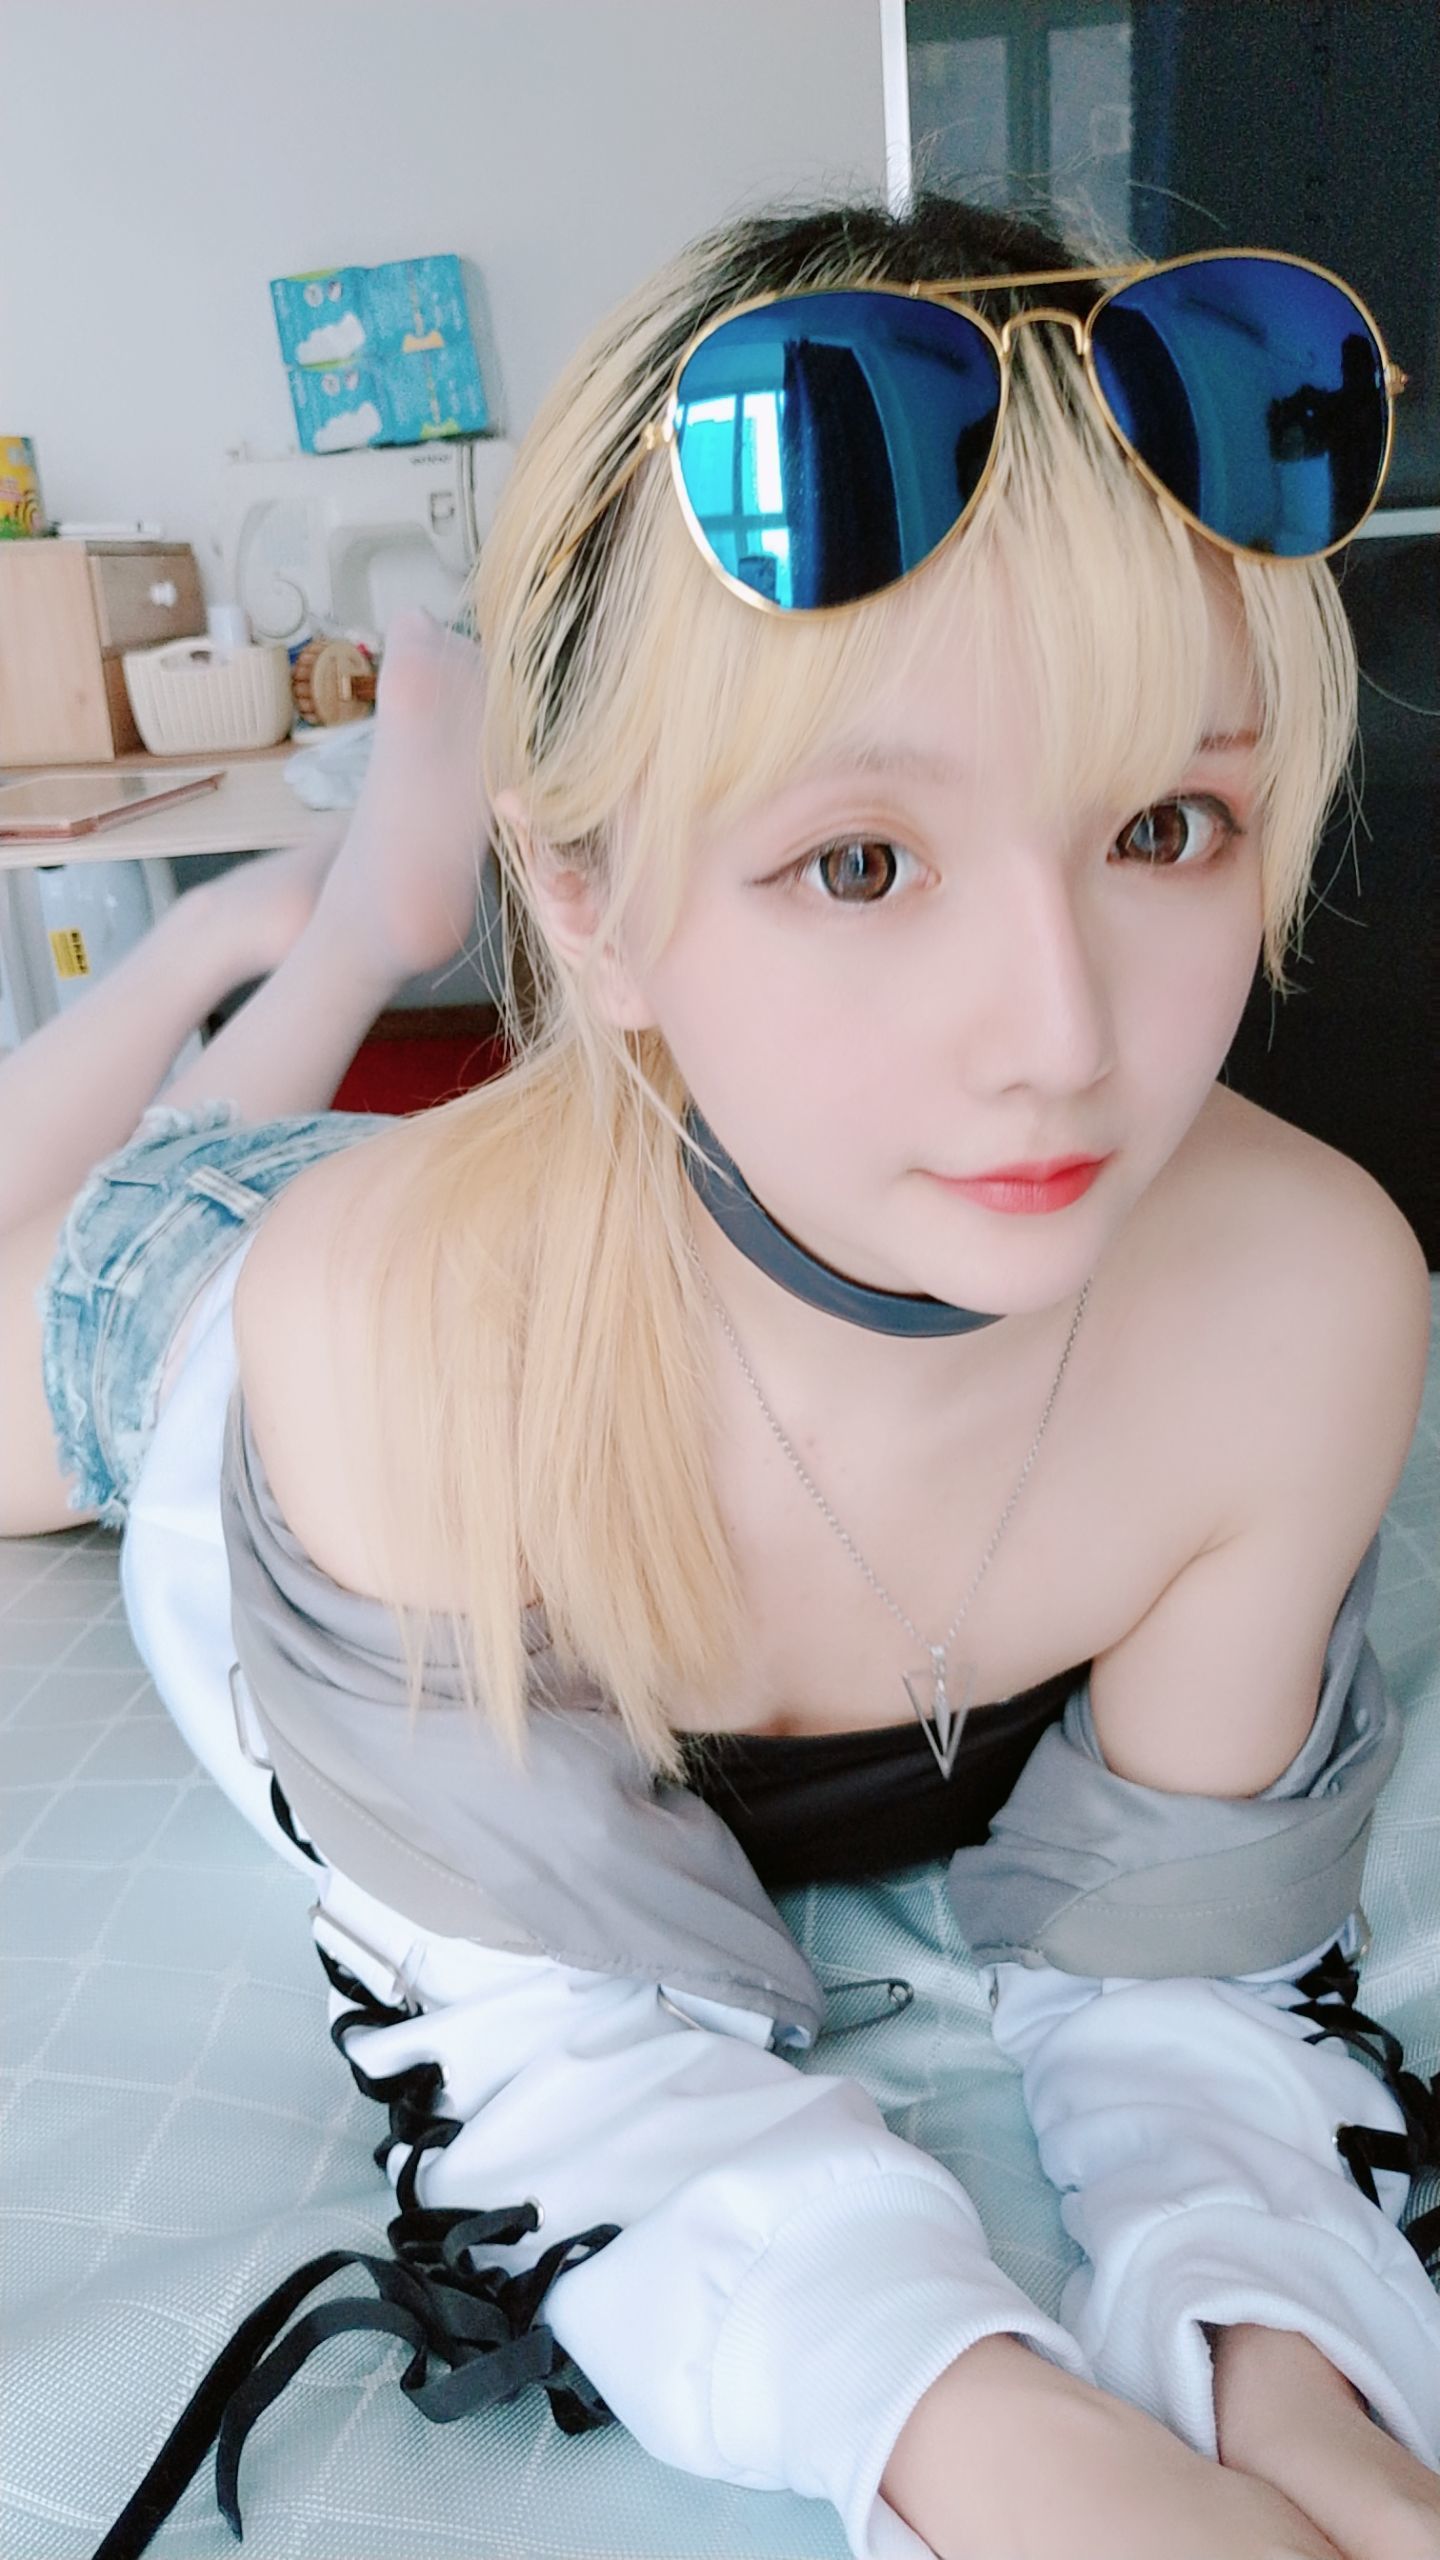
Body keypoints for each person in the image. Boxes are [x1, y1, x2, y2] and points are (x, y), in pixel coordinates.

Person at [4, 195, 1439, 2560]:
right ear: (584, 902)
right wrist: (1002, 2446)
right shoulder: (381, 1335)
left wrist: (1297, 2379)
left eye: (1164, 825)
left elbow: (1185, 1951)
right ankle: (290, 938)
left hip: (585, 1164)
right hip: (206, 1315)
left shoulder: (1306, 1296)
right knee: (94, 1223)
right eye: (863, 861)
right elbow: (558, 2055)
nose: (1060, 1037)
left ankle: (343, 926)